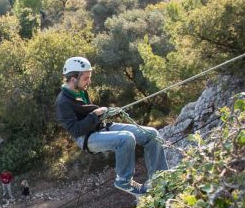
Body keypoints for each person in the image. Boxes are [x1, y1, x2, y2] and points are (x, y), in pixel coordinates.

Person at [55, 56, 168, 196]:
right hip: (86, 138)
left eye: (89, 77)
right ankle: (123, 181)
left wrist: (102, 113)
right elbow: (76, 130)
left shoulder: (81, 90)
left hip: (100, 127)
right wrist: (95, 114)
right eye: (86, 78)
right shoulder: (63, 103)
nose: (89, 82)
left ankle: (160, 178)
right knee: (126, 138)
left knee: (152, 134)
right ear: (73, 79)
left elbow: (89, 111)